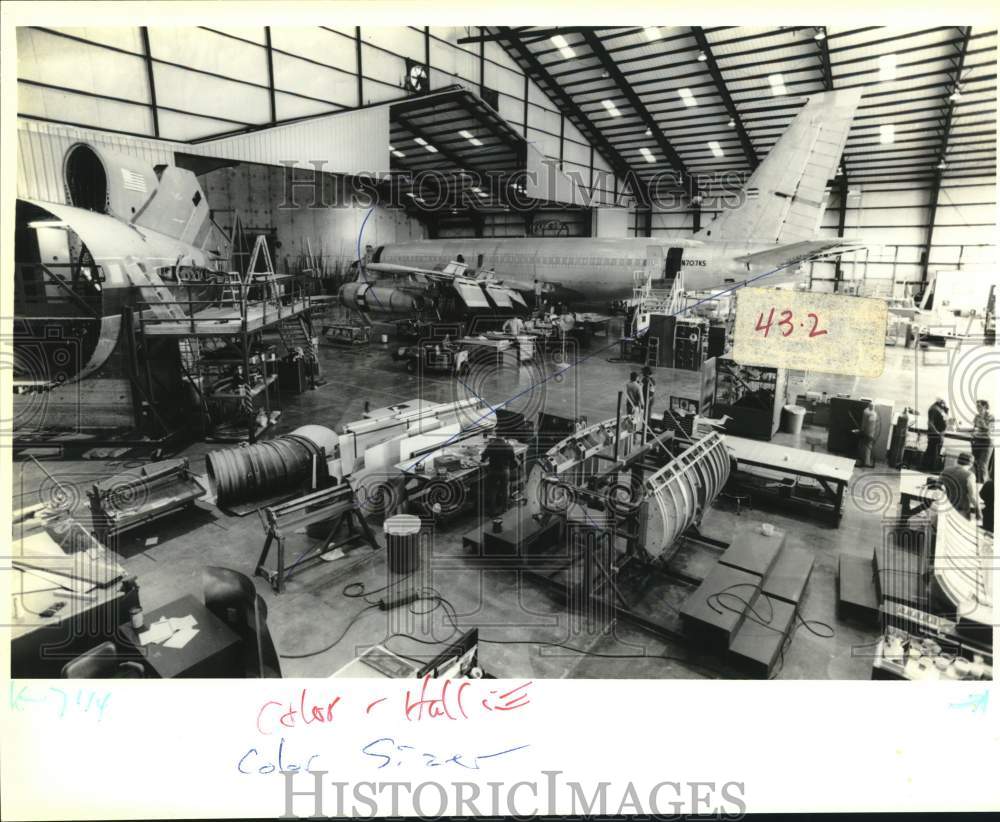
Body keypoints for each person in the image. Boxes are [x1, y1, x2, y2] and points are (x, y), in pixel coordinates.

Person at [481, 435, 518, 518]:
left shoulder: (491, 445)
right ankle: (504, 509)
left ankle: (492, 511)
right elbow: (512, 460)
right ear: (504, 437)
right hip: (504, 470)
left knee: (492, 491)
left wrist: (485, 460)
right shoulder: (509, 446)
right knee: (505, 490)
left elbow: (483, 458)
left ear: (495, 437)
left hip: (493, 470)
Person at [938, 453, 980, 520]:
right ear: (971, 464)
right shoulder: (970, 475)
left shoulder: (946, 470)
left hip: (945, 507)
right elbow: (972, 496)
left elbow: (938, 486)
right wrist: (978, 510)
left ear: (957, 460)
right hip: (960, 510)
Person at [971, 399, 994, 483]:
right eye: (977, 406)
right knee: (975, 463)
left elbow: (989, 431)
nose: (977, 408)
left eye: (979, 406)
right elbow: (974, 428)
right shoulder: (976, 416)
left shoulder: (990, 417)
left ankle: (983, 485)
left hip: (986, 442)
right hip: (976, 441)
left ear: (985, 406)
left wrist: (981, 420)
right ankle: (977, 483)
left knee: (982, 464)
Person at [923, 398, 949, 472]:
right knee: (933, 451)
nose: (944, 403)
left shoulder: (942, 409)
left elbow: (945, 420)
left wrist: (947, 411)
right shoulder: (933, 409)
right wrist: (937, 433)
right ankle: (930, 468)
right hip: (935, 434)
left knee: (936, 451)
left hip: (940, 434)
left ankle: (931, 467)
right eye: (943, 401)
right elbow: (930, 423)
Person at [855, 401, 878, 468]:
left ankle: (864, 461)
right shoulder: (873, 413)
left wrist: (862, 430)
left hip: (868, 432)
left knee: (865, 446)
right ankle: (865, 461)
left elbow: (865, 423)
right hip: (869, 432)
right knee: (866, 446)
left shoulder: (867, 412)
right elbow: (866, 422)